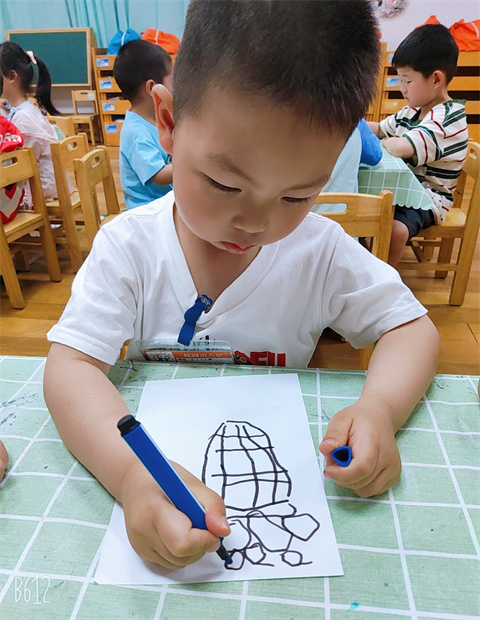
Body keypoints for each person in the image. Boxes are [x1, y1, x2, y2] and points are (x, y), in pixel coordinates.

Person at [44, 0, 439, 571]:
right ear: (168, 122)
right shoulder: (128, 247)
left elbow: (411, 329)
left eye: (297, 195)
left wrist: (379, 407)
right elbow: (71, 367)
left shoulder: (319, 250)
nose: (256, 223)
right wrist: (130, 475)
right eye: (225, 184)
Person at [367, 24, 468, 267]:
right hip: (407, 188)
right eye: (400, 79)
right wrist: (353, 123)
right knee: (366, 210)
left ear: (436, 79)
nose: (402, 88)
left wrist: (387, 141)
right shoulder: (412, 110)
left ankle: (383, 278)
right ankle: (367, 260)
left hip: (429, 197)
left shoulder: (447, 118)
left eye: (407, 80)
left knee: (395, 229)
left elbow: (402, 147)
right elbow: (380, 128)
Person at [113, 39, 173, 209]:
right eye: (172, 81)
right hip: (147, 210)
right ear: (152, 88)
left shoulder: (156, 118)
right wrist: (191, 163)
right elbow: (159, 175)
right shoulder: (136, 132)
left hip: (166, 202)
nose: (175, 88)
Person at [0, 41, 60, 207]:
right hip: (41, 187)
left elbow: (13, 168)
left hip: (36, 194)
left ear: (12, 77)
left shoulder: (23, 119)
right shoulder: (24, 110)